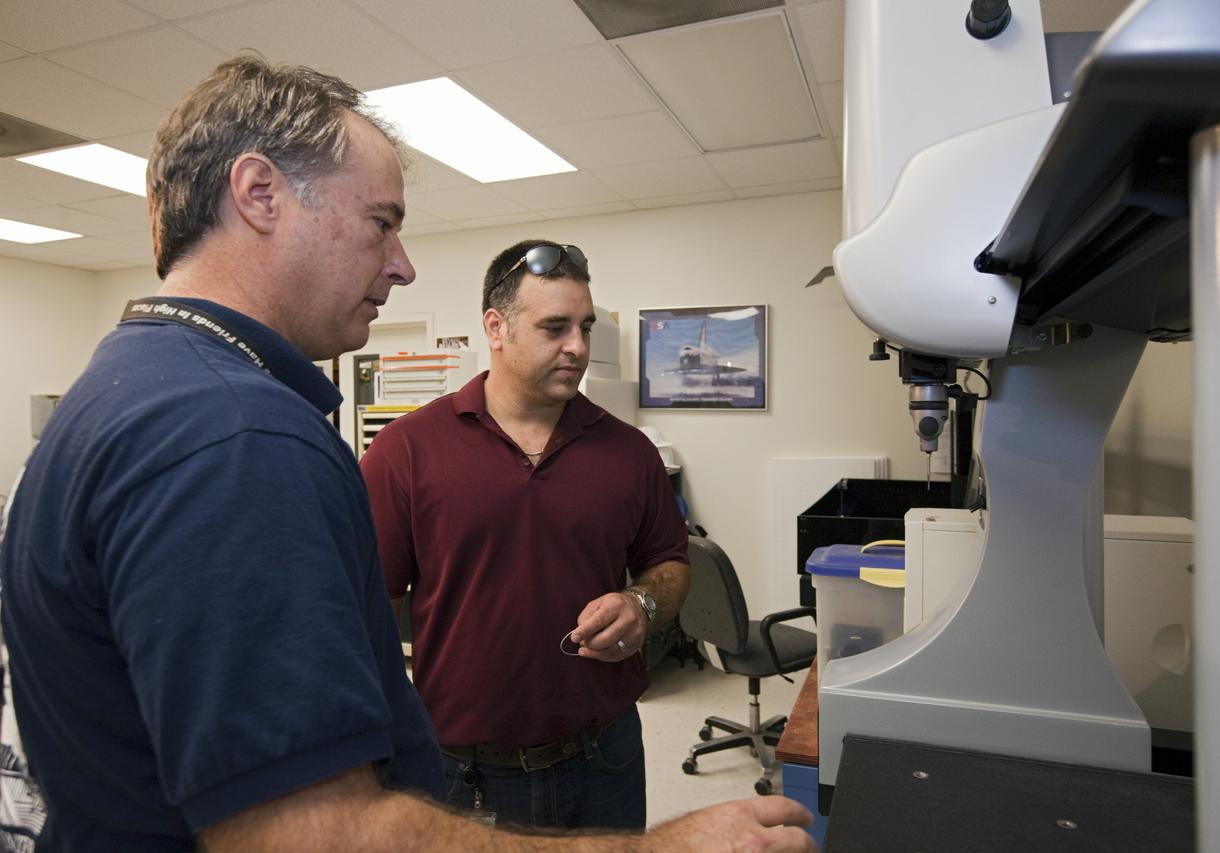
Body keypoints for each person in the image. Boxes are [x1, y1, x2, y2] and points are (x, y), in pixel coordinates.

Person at [0, 58, 816, 852]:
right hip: (466, 765)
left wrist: (637, 605)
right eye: (381, 222)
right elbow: (313, 833)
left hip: (597, 746)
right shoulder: (237, 436)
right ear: (259, 195)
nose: (403, 261)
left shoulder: (120, 390)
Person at [360, 240, 692, 830]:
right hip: (463, 772)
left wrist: (641, 604)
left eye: (585, 326)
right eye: (555, 327)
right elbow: (366, 612)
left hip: (604, 757)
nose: (579, 347)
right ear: (496, 326)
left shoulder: (628, 451)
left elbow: (669, 563)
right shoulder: (405, 451)